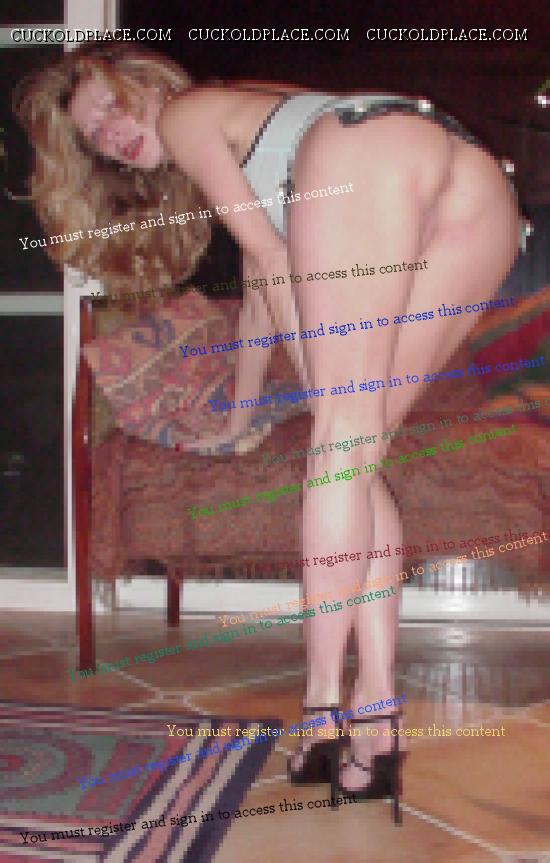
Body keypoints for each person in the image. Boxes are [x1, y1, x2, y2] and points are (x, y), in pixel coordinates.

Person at [15, 44, 520, 803]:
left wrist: (308, 386)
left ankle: (321, 713)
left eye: (113, 106)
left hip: (370, 158)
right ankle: (379, 716)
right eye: (95, 136)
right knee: (358, 455)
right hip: (473, 184)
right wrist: (241, 415)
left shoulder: (188, 114)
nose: (112, 134)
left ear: (148, 83)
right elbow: (260, 290)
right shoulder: (249, 121)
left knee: (339, 446)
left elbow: (268, 255)